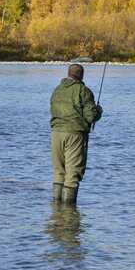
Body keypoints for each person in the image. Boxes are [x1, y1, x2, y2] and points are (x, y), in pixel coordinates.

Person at [50, 64, 102, 205]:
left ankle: (56, 209)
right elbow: (90, 116)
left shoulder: (57, 90)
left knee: (59, 171)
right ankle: (69, 213)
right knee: (72, 174)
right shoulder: (83, 91)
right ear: (81, 75)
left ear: (68, 74)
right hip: (74, 134)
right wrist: (98, 111)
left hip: (56, 133)